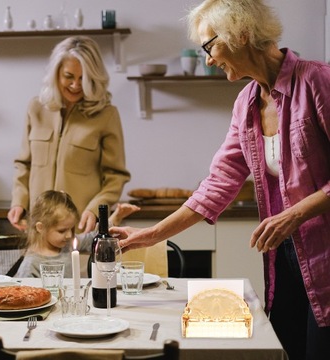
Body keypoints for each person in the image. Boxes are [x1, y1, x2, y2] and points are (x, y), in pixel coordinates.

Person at [110, 1, 330, 359]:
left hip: (325, 254)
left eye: (210, 46)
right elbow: (217, 184)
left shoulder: (317, 81)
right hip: (287, 256)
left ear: (241, 34)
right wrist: (147, 236)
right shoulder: (246, 104)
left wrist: (296, 214)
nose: (209, 59)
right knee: (287, 347)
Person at [0, 36, 131, 275]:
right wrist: (19, 200)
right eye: (69, 76)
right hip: (39, 229)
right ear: (56, 73)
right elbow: (23, 163)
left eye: (84, 78)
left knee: (74, 298)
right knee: (33, 295)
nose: (76, 85)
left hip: (76, 230)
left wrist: (93, 209)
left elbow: (115, 175)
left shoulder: (106, 115)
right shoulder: (36, 108)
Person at [15, 190, 140, 278]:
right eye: (62, 231)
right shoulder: (31, 265)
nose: (69, 235)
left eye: (71, 229)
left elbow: (95, 238)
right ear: (40, 227)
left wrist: (117, 217)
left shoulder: (67, 244)